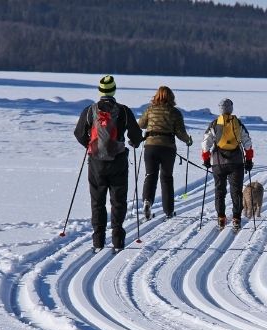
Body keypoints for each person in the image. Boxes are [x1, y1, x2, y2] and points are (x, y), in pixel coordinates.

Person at [74, 75, 143, 254]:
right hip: (118, 161)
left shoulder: (90, 111)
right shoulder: (124, 111)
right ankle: (118, 241)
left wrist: (91, 145)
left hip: (96, 162)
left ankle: (98, 241)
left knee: (97, 201)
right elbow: (136, 136)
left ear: (100, 91)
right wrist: (133, 143)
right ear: (113, 90)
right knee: (118, 201)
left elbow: (79, 133)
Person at [138, 86, 193, 220]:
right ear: (171, 97)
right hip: (168, 148)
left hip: (151, 146)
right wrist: (188, 140)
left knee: (150, 175)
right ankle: (168, 210)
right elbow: (180, 133)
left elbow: (141, 124)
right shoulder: (175, 112)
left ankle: (147, 201)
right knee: (167, 178)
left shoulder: (150, 109)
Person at [201, 98, 254, 231]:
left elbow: (206, 143)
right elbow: (247, 142)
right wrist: (248, 160)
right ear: (231, 108)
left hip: (218, 162)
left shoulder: (214, 123)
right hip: (236, 161)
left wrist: (206, 159)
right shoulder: (237, 123)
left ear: (220, 109)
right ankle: (236, 218)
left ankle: (221, 217)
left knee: (220, 190)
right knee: (236, 191)